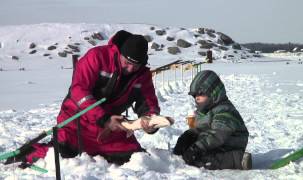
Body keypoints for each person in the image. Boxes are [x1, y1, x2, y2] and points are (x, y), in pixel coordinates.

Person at [7, 30, 160, 166]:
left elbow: (148, 102)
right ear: (120, 53)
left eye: (136, 66)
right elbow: (79, 91)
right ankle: (28, 153)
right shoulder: (97, 57)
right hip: (77, 121)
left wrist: (150, 119)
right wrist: (104, 118)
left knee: (136, 157)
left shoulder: (142, 75)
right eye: (127, 63)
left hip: (112, 128)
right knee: (61, 155)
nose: (130, 69)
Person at [173, 70, 251, 170]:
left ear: (213, 93)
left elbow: (218, 135)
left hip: (230, 146)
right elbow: (201, 129)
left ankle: (239, 160)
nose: (197, 97)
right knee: (188, 152)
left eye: (201, 94)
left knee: (203, 160)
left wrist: (197, 147)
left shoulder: (225, 110)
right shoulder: (205, 110)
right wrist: (189, 136)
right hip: (215, 144)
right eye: (195, 95)